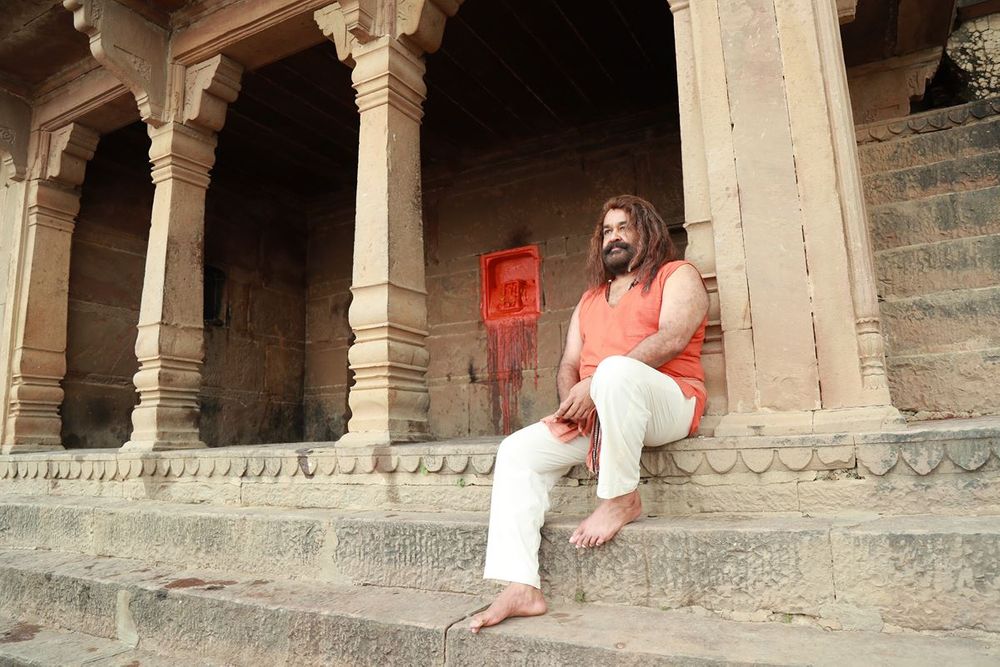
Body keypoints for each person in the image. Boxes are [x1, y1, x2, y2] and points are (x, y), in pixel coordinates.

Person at [469, 194, 709, 633]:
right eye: (607, 231)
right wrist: (575, 406)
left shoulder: (677, 275)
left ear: (649, 232)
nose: (613, 237)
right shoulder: (591, 299)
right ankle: (521, 585)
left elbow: (673, 337)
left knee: (614, 371)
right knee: (517, 451)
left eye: (624, 228)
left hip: (669, 402)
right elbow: (568, 364)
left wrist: (595, 387)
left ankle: (620, 498)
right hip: (602, 410)